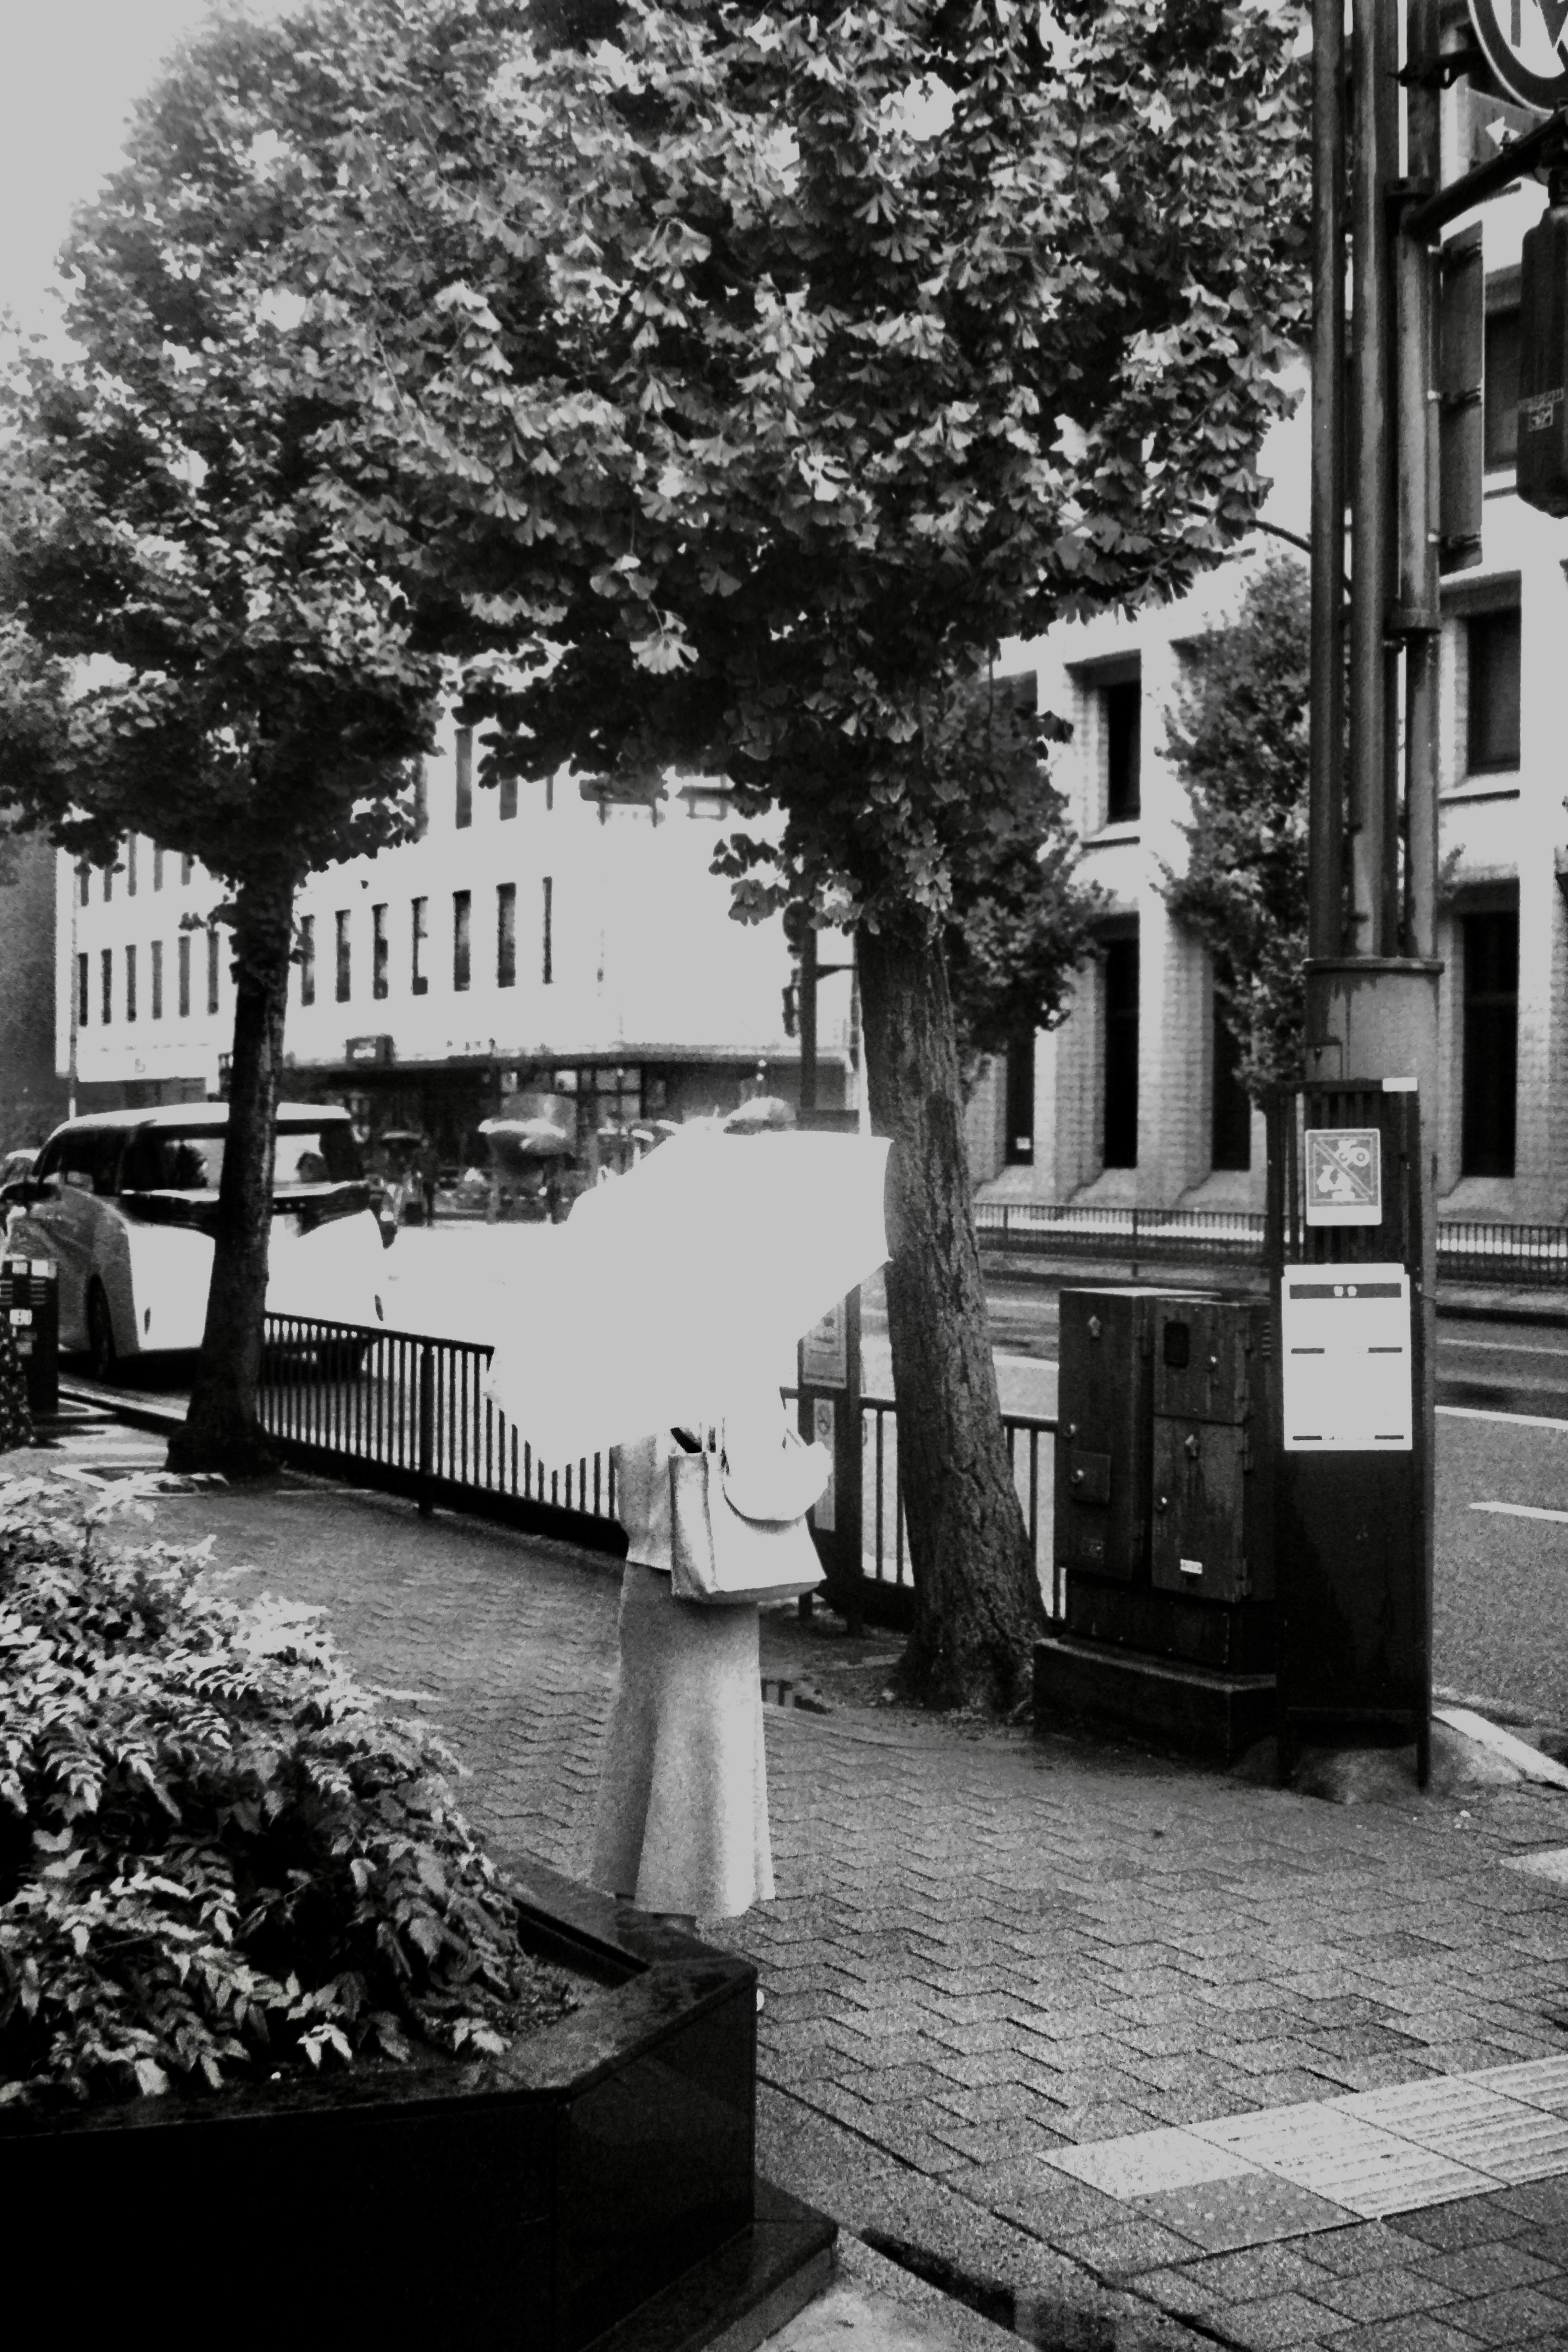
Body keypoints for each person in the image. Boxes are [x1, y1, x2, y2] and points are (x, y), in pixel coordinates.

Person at [590, 1375, 789, 1928]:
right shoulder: (733, 1372)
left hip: (645, 1577)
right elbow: (762, 1478)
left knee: (646, 1750)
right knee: (703, 1762)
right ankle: (680, 1950)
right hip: (713, 1581)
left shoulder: (633, 1372)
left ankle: (635, 1920)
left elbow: (627, 1478)